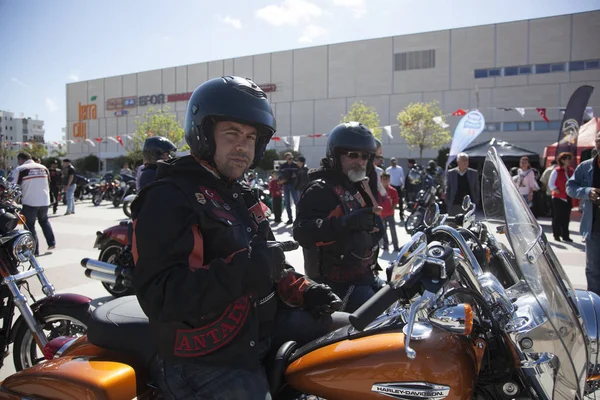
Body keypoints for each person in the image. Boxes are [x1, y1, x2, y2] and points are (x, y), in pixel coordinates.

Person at [131, 76, 343, 399]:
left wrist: (305, 290)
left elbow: (270, 265)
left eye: (250, 137)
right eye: (231, 134)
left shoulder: (241, 195)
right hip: (203, 358)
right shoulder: (170, 196)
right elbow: (161, 295)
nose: (242, 146)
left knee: (346, 339)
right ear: (203, 134)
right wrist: (244, 273)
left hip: (256, 334)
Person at [293, 122, 384, 313]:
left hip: (365, 275)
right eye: (352, 155)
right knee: (379, 322)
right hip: (335, 284)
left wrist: (375, 227)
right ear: (336, 156)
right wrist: (345, 223)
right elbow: (301, 231)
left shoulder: (357, 186)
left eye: (365, 156)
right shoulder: (320, 189)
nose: (359, 161)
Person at [567, 130, 600, 295]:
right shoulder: (585, 166)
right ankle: (596, 306)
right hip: (594, 228)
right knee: (593, 271)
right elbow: (570, 187)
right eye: (599, 140)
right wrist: (587, 191)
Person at [13, 152, 55, 255]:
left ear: (20, 159)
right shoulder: (44, 168)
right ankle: (51, 242)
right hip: (44, 201)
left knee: (29, 226)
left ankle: (34, 250)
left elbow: (12, 185)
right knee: (44, 221)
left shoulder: (22, 169)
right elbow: (48, 182)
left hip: (30, 201)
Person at [549, 152, 574, 242]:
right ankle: (556, 235)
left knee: (566, 217)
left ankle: (565, 235)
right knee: (558, 216)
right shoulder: (556, 170)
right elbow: (551, 183)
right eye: (568, 159)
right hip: (558, 197)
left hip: (568, 197)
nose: (570, 161)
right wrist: (555, 189)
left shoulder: (571, 171)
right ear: (562, 160)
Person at [379, 172, 400, 252]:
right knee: (383, 230)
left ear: (389, 180)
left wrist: (392, 209)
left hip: (390, 213)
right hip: (381, 214)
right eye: (383, 179)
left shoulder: (393, 190)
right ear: (380, 180)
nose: (385, 181)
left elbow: (395, 201)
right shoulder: (378, 190)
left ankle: (396, 246)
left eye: (387, 179)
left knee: (393, 230)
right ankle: (385, 245)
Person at [279, 152, 300, 224]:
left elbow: (300, 174)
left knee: (297, 202)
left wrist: (296, 175)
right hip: (285, 185)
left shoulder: (296, 165)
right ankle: (290, 219)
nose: (291, 159)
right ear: (286, 159)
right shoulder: (283, 166)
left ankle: (298, 219)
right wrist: (282, 179)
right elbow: (280, 174)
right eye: (289, 158)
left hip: (294, 185)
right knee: (287, 203)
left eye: (291, 158)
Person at [385, 157, 405, 221]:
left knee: (400, 201)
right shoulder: (388, 169)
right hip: (391, 186)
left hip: (398, 186)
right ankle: (390, 214)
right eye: (392, 162)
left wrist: (403, 185)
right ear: (390, 162)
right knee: (391, 201)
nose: (394, 163)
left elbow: (402, 177)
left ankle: (401, 214)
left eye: (394, 161)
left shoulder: (400, 168)